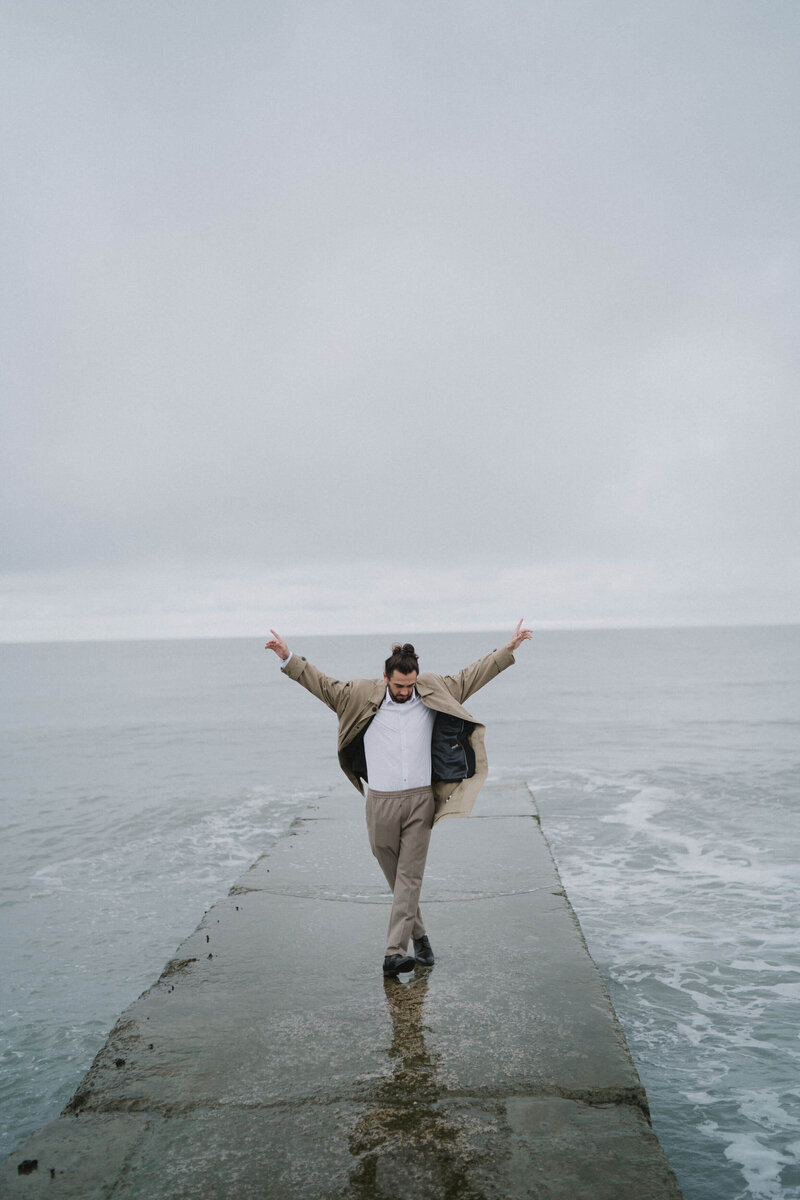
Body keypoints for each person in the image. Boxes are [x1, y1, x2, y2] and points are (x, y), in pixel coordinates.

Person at [265, 621, 532, 976]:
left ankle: (394, 952)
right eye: (399, 685)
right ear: (386, 677)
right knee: (397, 879)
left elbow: (471, 677)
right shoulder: (359, 694)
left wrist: (507, 650)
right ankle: (420, 937)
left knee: (409, 879)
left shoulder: (433, 689)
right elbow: (322, 685)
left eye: (410, 685)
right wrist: (288, 659)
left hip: (421, 802)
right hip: (380, 804)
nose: (405, 691)